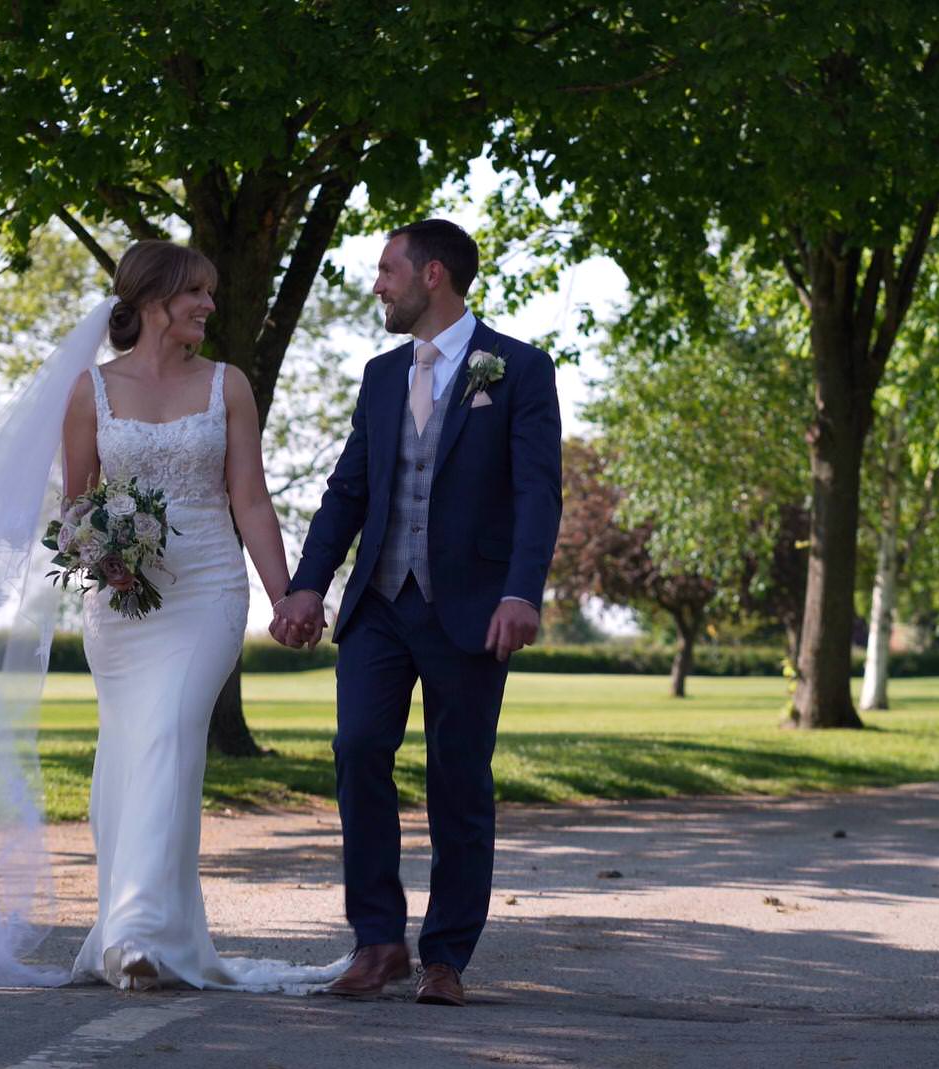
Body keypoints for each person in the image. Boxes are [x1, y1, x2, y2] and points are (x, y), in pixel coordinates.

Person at [0, 240, 344, 992]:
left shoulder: (229, 385)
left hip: (209, 588)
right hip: (120, 603)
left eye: (210, 293)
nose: (209, 305)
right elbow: (79, 505)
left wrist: (285, 594)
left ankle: (137, 930)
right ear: (152, 300)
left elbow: (252, 499)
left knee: (171, 732)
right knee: (131, 752)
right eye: (196, 294)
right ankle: (146, 934)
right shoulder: (91, 392)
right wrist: (100, 550)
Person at [272, 219, 564, 1007]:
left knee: (457, 778)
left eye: (387, 269)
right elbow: (348, 490)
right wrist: (308, 583)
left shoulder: (522, 370)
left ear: (432, 274)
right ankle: (377, 942)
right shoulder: (378, 374)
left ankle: (446, 957)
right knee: (358, 748)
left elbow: (539, 493)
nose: (378, 284)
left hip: (470, 608)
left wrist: (521, 592)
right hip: (378, 604)